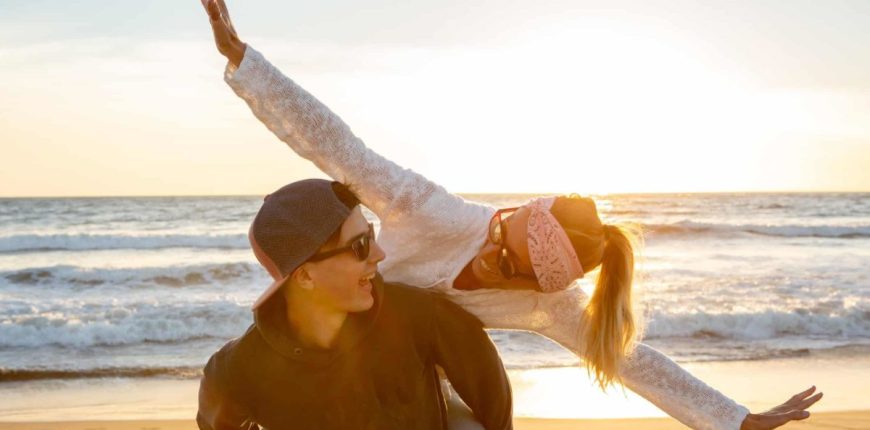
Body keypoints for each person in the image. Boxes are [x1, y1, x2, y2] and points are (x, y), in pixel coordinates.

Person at [199, 1, 824, 429]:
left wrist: (735, 418)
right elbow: (336, 146)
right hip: (335, 332)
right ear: (508, 215)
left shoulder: (548, 307)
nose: (492, 261)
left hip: (408, 378)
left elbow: (632, 361)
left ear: (533, 283)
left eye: (510, 270)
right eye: (501, 240)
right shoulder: (430, 210)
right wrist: (246, 65)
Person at [196, 179, 513, 429]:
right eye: (360, 245)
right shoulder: (238, 370)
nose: (379, 253)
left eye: (371, 234)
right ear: (305, 276)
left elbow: (492, 399)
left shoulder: (419, 315)